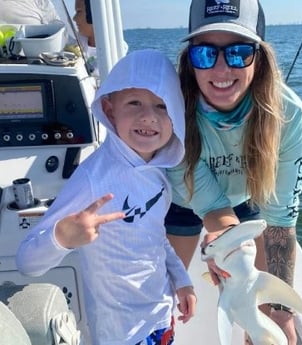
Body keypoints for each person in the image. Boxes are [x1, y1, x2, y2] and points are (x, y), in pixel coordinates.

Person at [16, 49, 196, 345]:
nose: (148, 116)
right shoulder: (93, 178)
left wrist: (182, 280)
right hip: (120, 335)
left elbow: (156, 236)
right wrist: (62, 237)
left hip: (161, 318)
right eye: (134, 102)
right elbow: (26, 262)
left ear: (176, 115)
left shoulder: (158, 169)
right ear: (110, 109)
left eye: (162, 106)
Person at [165, 0, 302, 344]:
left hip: (246, 198)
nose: (220, 70)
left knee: (260, 312)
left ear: (259, 58)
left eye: (238, 53)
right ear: (189, 61)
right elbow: (211, 206)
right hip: (185, 199)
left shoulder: (289, 117)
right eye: (205, 54)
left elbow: (280, 222)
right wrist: (226, 244)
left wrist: (280, 311)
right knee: (163, 293)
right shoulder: (172, 111)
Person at [71, 0, 128, 76]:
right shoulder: (73, 42)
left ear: (94, 15)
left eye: (79, 12)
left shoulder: (117, 51)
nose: (74, 18)